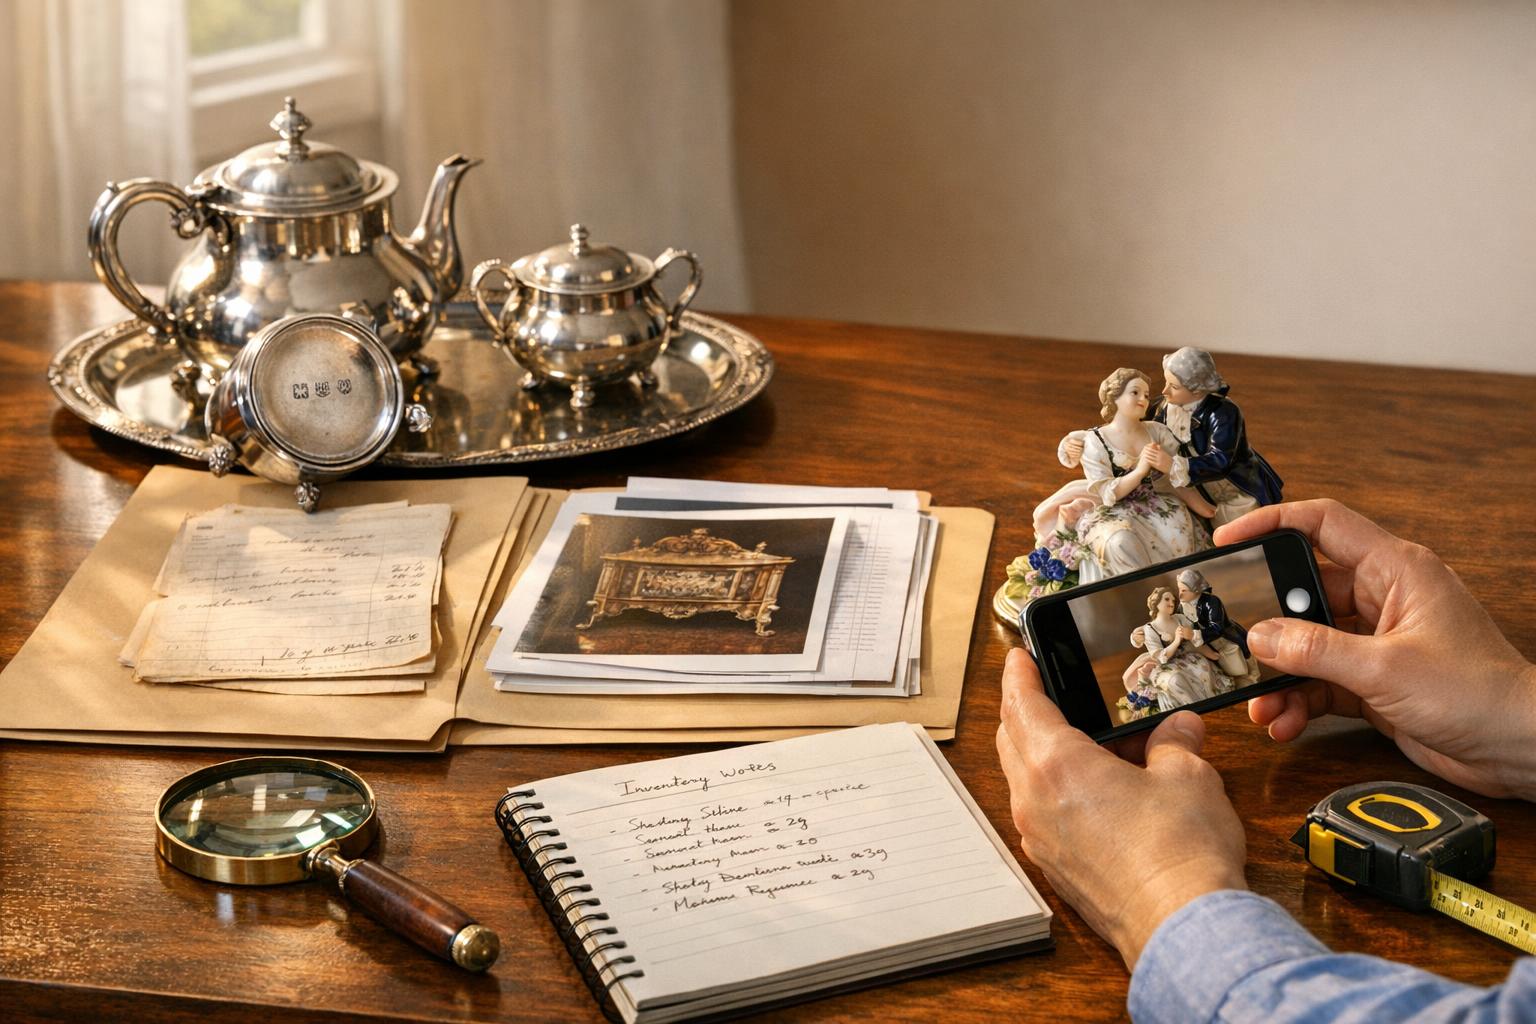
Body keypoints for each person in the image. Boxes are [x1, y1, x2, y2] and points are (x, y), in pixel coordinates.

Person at [996, 499, 1536, 1021]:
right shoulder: (1166, 620)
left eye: (1180, 591)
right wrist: (1515, 722)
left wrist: (1157, 893)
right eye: (1171, 595)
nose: (1176, 597)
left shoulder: (1202, 610)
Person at [1060, 347, 1283, 528]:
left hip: (1231, 486)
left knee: (1240, 531)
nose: (1164, 391)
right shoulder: (1163, 406)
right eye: (1166, 382)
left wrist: (1174, 465)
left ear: (1197, 390)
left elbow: (1222, 460)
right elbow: (1126, 426)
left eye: (1173, 386)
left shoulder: (1223, 412)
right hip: (1186, 487)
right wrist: (1083, 439)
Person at [1070, 368, 1212, 577]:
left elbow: (1175, 478)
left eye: (1146, 395)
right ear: (1115, 396)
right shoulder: (1096, 440)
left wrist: (1205, 508)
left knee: (1179, 535)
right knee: (1120, 542)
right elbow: (1109, 494)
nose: (1143, 399)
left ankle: (1179, 591)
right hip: (1116, 509)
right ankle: (1141, 593)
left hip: (1156, 504)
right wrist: (1141, 470)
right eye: (1135, 392)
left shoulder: (1156, 431)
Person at [1125, 586, 1229, 713]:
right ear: (1156, 603)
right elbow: (1161, 657)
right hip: (1164, 664)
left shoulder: (1180, 618)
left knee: (1203, 669)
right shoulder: (1150, 629)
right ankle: (1192, 710)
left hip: (1187, 657)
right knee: (1176, 680)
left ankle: (1211, 705)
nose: (1171, 603)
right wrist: (1176, 641)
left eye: (1173, 601)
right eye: (1167, 599)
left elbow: (1194, 641)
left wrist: (1210, 653)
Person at [1175, 568, 1257, 683]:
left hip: (1222, 638)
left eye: (1184, 590)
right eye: (1179, 589)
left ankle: (1248, 677)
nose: (1180, 594)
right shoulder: (1182, 606)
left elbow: (1217, 627)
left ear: (1196, 590)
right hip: (1203, 643)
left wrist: (1194, 634)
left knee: (1236, 665)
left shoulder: (1211, 602)